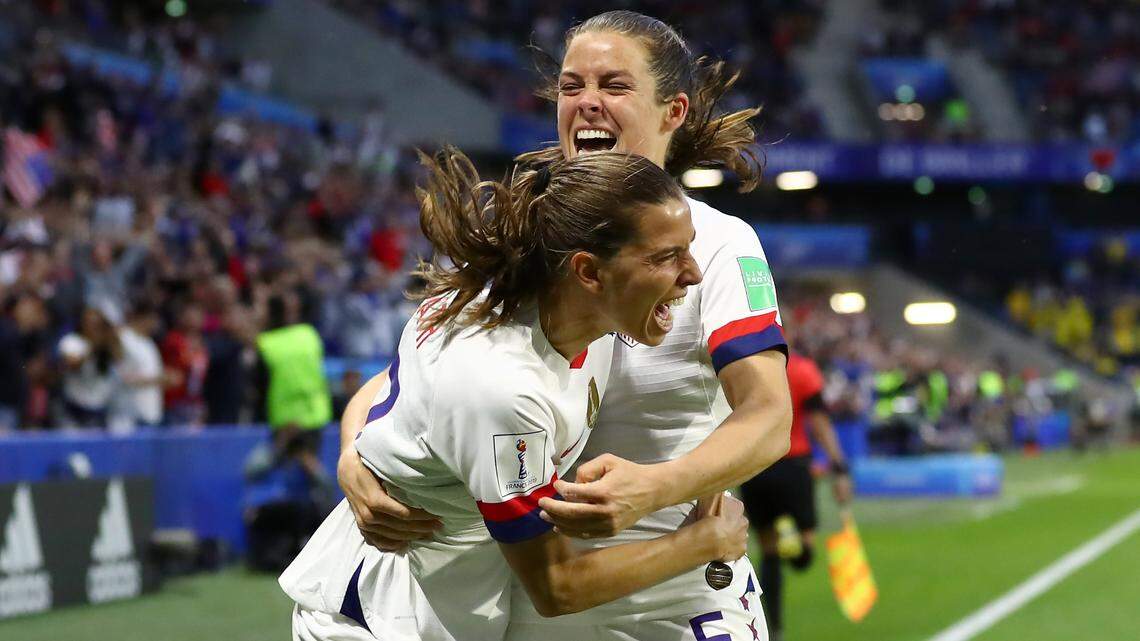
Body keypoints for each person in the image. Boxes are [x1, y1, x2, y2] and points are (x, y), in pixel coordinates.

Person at [338, 10, 793, 641]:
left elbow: (769, 417)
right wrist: (354, 457)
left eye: (615, 85)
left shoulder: (719, 245)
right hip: (529, 590)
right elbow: (413, 377)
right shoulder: (524, 236)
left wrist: (655, 489)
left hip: (674, 589)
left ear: (674, 111)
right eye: (572, 86)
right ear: (586, 271)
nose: (587, 102)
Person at [280, 149, 747, 640]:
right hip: (378, 617)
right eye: (665, 257)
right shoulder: (503, 386)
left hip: (441, 604)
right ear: (589, 272)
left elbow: (393, 384)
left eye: (688, 249)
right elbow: (555, 586)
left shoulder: (558, 309)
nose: (693, 273)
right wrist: (705, 542)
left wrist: (352, 451)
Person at [740, 348, 852, 641]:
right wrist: (839, 467)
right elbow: (820, 424)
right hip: (793, 465)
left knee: (768, 552)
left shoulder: (745, 366)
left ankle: (774, 629)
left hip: (756, 466)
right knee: (804, 557)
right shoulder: (803, 370)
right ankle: (793, 543)